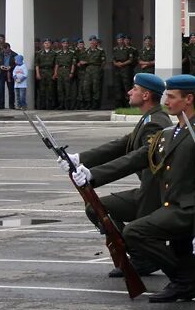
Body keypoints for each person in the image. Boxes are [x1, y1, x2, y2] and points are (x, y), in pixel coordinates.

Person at [70, 74, 195, 302]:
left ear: (188, 99)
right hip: (171, 208)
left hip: (187, 213)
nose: (166, 101)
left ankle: (181, 279)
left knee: (134, 231)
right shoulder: (169, 133)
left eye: (172, 97)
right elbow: (137, 158)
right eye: (167, 96)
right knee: (191, 282)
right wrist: (92, 174)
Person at [58, 73, 174, 277]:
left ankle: (143, 258)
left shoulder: (156, 122)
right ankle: (141, 257)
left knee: (100, 210)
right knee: (97, 209)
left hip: (155, 194)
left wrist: (93, 175)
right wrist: (79, 158)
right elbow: (122, 145)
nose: (130, 92)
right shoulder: (149, 118)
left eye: (135, 89)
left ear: (146, 95)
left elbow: (136, 158)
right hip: (148, 190)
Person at [77, 36, 106, 109]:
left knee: (95, 87)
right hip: (88, 70)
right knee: (86, 87)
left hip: (96, 69)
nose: (92, 42)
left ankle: (95, 104)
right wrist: (80, 63)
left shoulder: (100, 51)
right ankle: (88, 103)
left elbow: (103, 62)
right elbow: (82, 60)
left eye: (94, 41)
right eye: (91, 41)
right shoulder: (87, 51)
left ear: (96, 42)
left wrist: (100, 70)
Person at [35, 38, 57, 109]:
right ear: (43, 44)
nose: (47, 44)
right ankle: (42, 106)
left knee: (50, 90)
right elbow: (37, 64)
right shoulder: (39, 53)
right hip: (42, 72)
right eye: (45, 43)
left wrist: (55, 73)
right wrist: (37, 74)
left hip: (50, 71)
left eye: (48, 43)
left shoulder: (54, 53)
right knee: (42, 90)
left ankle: (50, 106)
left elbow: (56, 64)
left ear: (50, 44)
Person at [112, 34, 133, 107]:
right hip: (117, 70)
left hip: (125, 70)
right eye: (118, 40)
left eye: (121, 39)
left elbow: (130, 60)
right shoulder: (115, 49)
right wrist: (116, 64)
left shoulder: (128, 49)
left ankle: (127, 103)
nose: (120, 41)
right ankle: (119, 104)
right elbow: (113, 60)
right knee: (118, 87)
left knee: (127, 87)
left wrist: (123, 63)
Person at [55, 37, 75, 110]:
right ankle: (61, 105)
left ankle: (68, 105)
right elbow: (57, 64)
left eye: (66, 43)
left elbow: (73, 64)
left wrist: (71, 72)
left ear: (68, 44)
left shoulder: (72, 53)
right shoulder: (58, 53)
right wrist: (55, 73)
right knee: (60, 89)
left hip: (67, 70)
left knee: (67, 89)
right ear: (61, 44)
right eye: (64, 43)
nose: (65, 45)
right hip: (60, 71)